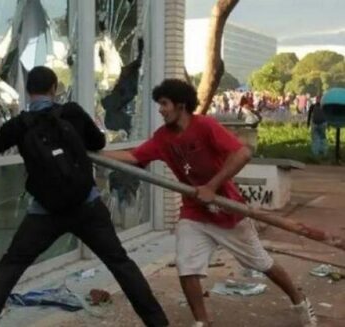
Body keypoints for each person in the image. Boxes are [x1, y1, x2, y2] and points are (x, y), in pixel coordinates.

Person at [0, 66, 169, 327]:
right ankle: (158, 324)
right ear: (54, 89)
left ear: (28, 91)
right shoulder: (72, 112)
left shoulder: (19, 124)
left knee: (10, 267)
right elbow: (98, 143)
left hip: (45, 213)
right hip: (87, 206)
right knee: (120, 263)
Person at [101, 79, 317, 327]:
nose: (160, 110)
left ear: (181, 105)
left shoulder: (205, 126)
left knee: (261, 263)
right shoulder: (162, 138)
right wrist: (96, 155)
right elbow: (133, 156)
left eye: (164, 104)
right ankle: (202, 322)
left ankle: (299, 300)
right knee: (186, 266)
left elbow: (244, 152)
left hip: (229, 212)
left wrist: (212, 187)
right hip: (195, 214)